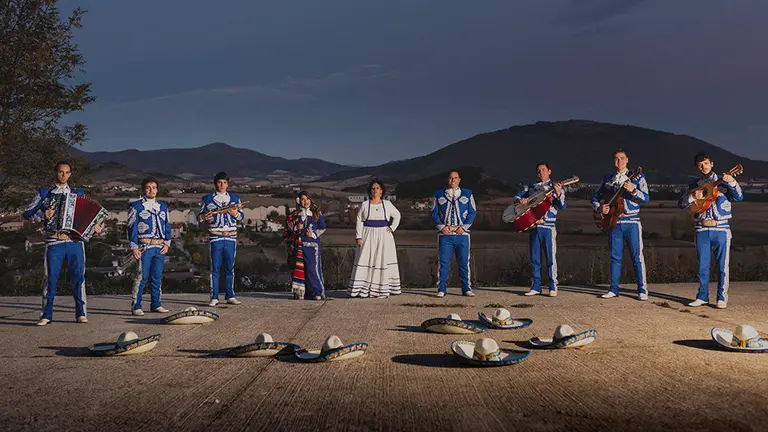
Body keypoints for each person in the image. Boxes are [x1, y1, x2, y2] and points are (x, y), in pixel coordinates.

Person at [23, 161, 104, 326]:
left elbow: (92, 215)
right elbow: (27, 213)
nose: (64, 175)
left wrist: (97, 227)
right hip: (54, 241)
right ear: (56, 173)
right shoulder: (45, 193)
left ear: (70, 174)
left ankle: (81, 313)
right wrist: (42, 215)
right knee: (50, 279)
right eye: (61, 172)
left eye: (67, 172)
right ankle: (46, 315)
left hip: (75, 242)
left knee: (79, 278)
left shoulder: (78, 193)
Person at [678, 152, 743, 309]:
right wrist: (693, 197)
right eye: (700, 165)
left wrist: (733, 182)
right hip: (701, 228)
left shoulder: (723, 181)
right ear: (697, 167)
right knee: (702, 265)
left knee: (722, 266)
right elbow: (681, 204)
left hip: (721, 227)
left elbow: (739, 197)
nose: (703, 167)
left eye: (706, 163)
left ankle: (721, 297)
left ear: (712, 164)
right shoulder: (694, 184)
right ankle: (702, 296)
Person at [591, 149, 650, 300]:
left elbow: (646, 198)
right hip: (614, 221)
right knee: (615, 257)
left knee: (637, 256)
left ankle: (642, 289)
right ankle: (613, 289)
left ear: (627, 159)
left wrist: (634, 190)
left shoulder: (638, 177)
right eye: (616, 159)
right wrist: (599, 208)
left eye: (622, 158)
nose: (619, 161)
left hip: (632, 222)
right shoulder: (607, 178)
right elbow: (594, 197)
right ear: (613, 161)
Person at [514, 162, 566, 297]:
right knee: (534, 258)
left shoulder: (555, 186)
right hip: (534, 226)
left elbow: (562, 206)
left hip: (548, 226)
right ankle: (536, 286)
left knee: (550, 258)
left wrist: (558, 193)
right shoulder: (532, 187)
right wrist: (521, 200)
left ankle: (553, 286)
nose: (541, 172)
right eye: (538, 170)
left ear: (549, 171)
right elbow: (517, 196)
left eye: (543, 169)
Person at [347, 179, 402, 298]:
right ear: (370, 191)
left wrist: (392, 228)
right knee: (366, 259)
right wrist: (358, 236)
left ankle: (382, 288)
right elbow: (359, 220)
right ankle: (363, 289)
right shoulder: (364, 205)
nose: (375, 190)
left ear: (381, 191)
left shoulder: (387, 204)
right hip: (368, 235)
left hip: (384, 236)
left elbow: (397, 215)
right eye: (373, 188)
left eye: (377, 188)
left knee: (382, 259)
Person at [198, 172, 244, 307]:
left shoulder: (235, 198)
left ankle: (230, 295)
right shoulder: (207, 199)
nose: (222, 185)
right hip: (215, 236)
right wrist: (204, 217)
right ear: (215, 184)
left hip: (231, 236)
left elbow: (241, 217)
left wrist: (235, 213)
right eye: (219, 182)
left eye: (224, 182)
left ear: (228, 184)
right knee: (215, 267)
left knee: (230, 267)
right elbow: (199, 217)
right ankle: (214, 297)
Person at [128, 177, 172, 316]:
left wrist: (167, 243)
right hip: (144, 247)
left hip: (159, 247)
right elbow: (131, 228)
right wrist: (134, 247)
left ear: (157, 189)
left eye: (154, 187)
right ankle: (136, 305)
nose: (151, 190)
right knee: (141, 276)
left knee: (157, 277)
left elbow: (167, 226)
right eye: (148, 187)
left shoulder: (163, 206)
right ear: (143, 190)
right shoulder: (136, 206)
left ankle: (156, 304)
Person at [431, 170, 477, 297]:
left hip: (462, 235)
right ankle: (441, 288)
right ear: (448, 179)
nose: (453, 180)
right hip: (445, 235)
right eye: (451, 178)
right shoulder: (439, 194)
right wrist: (441, 227)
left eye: (455, 178)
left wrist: (464, 227)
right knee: (443, 262)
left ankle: (466, 288)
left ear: (459, 180)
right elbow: (434, 213)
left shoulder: (468, 194)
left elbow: (473, 212)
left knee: (464, 262)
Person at [283, 191, 326, 300]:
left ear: (310, 200)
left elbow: (322, 227)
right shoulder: (295, 215)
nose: (305, 201)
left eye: (307, 199)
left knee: (313, 268)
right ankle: (306, 292)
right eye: (302, 199)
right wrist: (296, 228)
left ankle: (317, 291)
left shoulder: (316, 213)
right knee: (303, 270)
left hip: (313, 246)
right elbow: (287, 230)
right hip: (300, 246)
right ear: (299, 201)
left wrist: (313, 234)